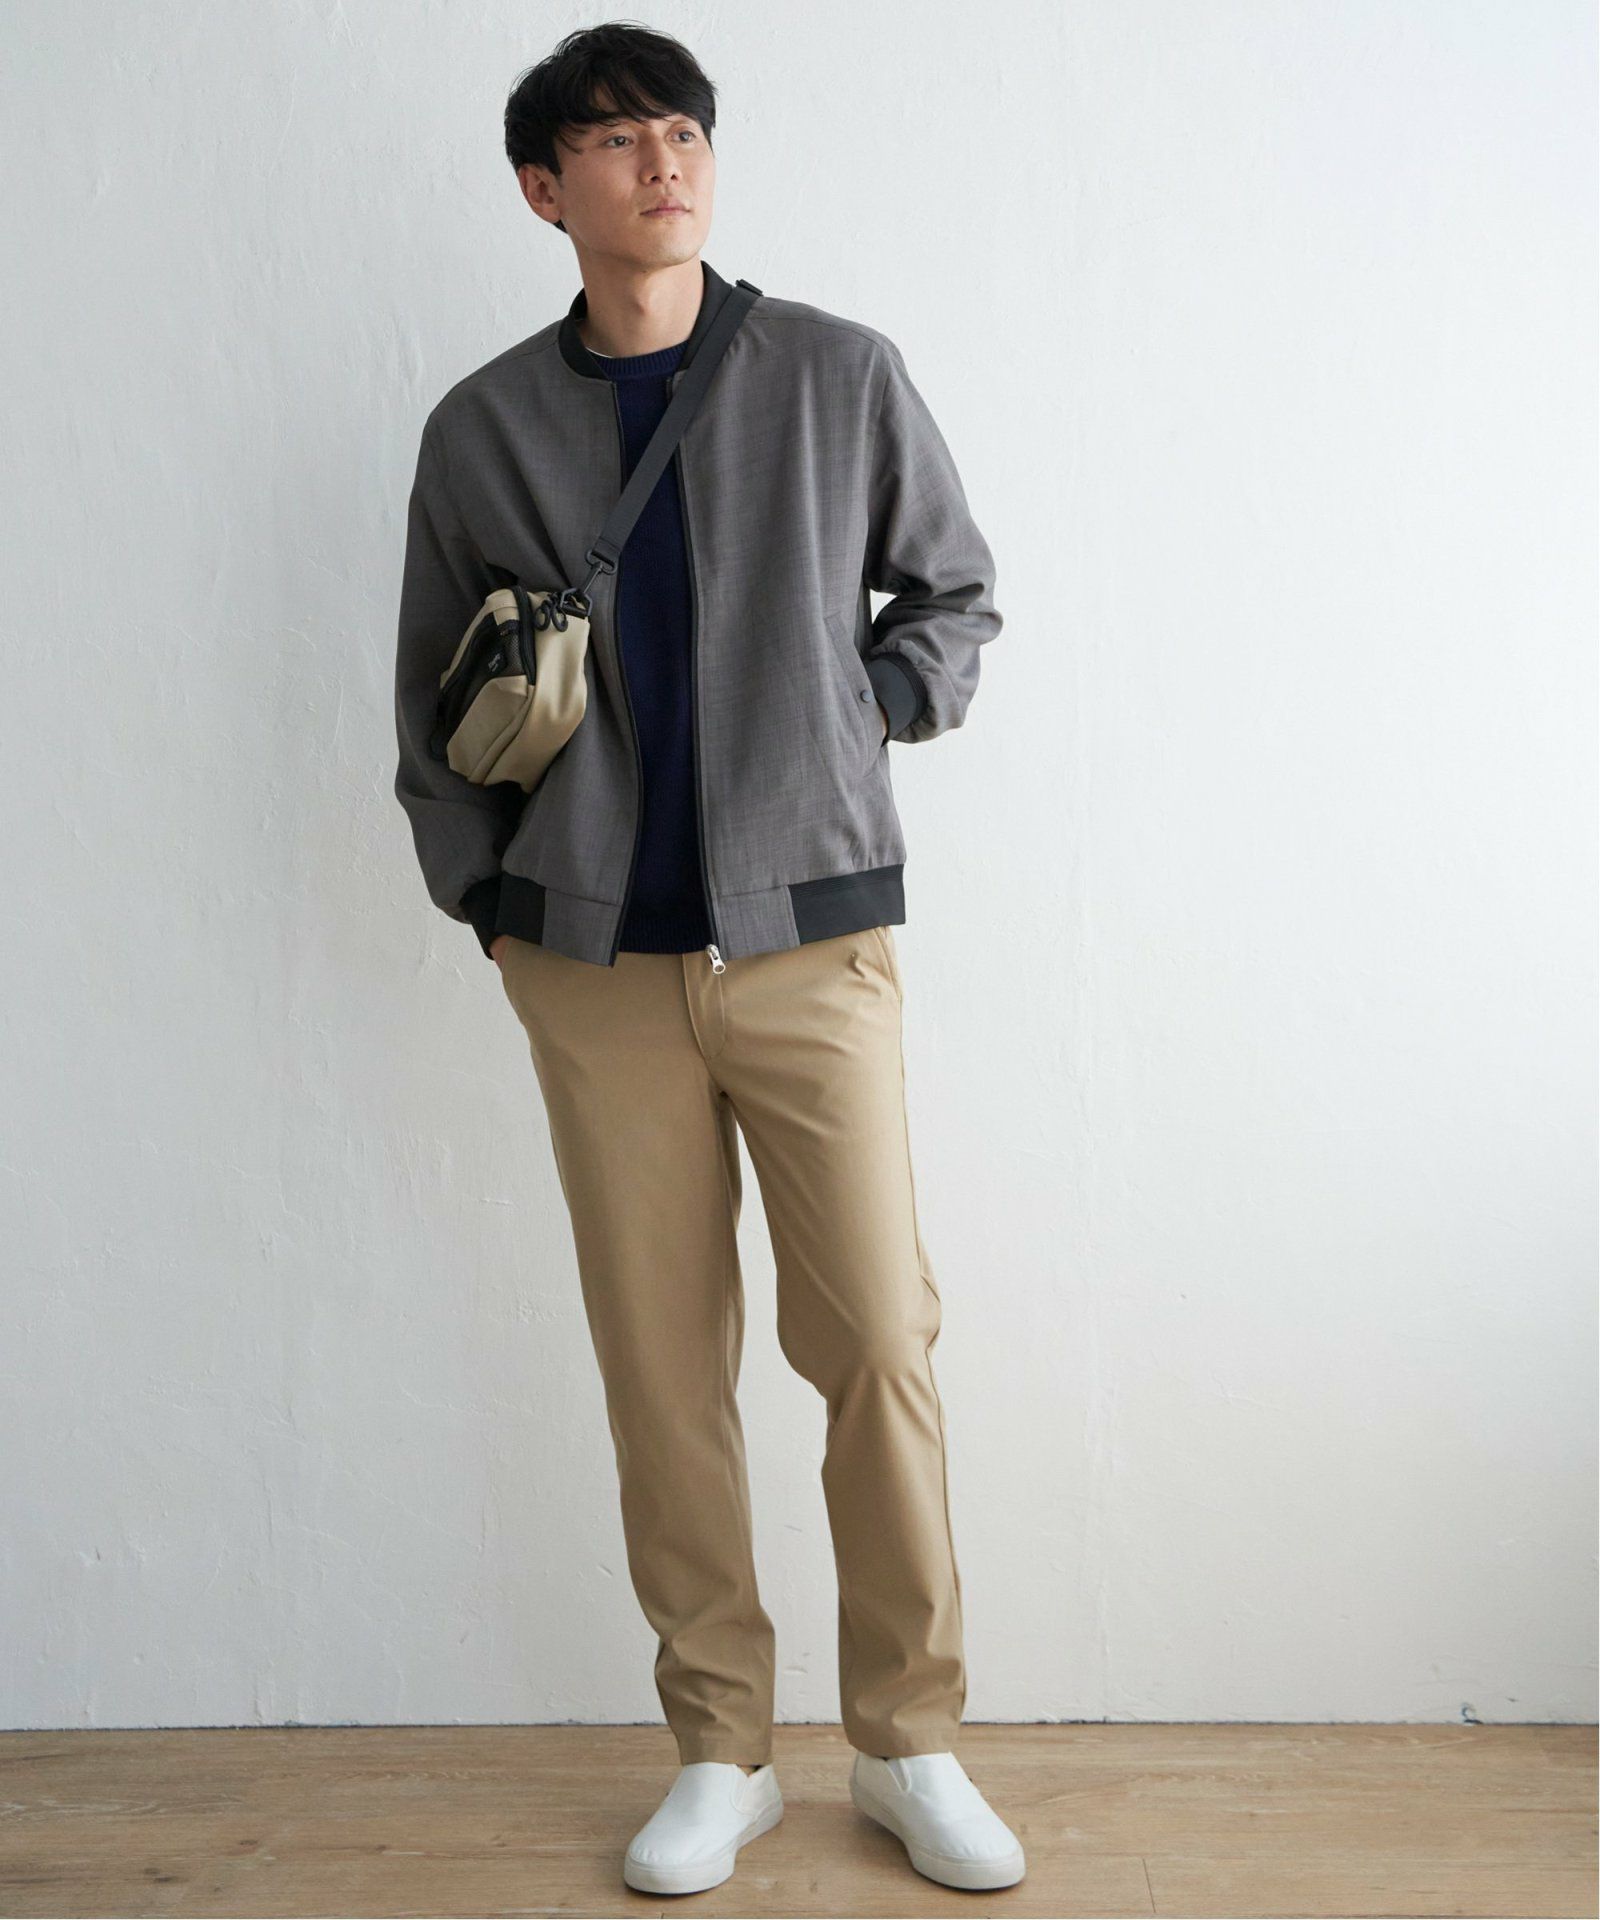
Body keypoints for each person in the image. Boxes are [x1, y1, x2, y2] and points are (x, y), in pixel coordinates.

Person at [392, 21, 1022, 1898]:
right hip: (592, 965)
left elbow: (954, 593)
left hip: (810, 941)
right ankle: (721, 1749)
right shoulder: (482, 428)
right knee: (661, 1367)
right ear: (545, 189)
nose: (663, 160)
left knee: (879, 1342)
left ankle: (907, 1738)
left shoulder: (835, 371)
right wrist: (493, 904)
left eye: (683, 129)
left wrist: (858, 712)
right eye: (615, 139)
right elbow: (431, 702)